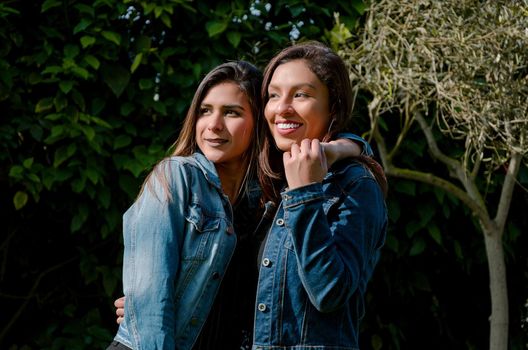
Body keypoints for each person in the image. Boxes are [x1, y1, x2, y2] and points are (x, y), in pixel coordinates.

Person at [107, 59, 370, 350]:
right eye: (205, 111)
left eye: (232, 112)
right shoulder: (176, 177)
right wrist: (139, 309)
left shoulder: (268, 203)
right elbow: (149, 315)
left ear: (260, 122)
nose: (214, 125)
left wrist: (343, 147)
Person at [251, 40, 388, 348]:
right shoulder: (270, 180)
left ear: (333, 107)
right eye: (273, 95)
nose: (282, 108)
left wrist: (306, 194)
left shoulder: (355, 185)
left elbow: (328, 293)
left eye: (301, 94)